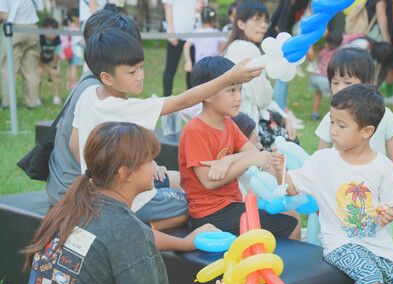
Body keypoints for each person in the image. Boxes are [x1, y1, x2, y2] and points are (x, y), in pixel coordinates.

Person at [16, 121, 234, 284]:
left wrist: (185, 243)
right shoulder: (127, 230)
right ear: (125, 173)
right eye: (149, 161)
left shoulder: (72, 207)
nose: (155, 166)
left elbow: (124, 238)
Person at [71, 28, 262, 230]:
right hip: (130, 200)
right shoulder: (124, 108)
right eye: (132, 72)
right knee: (195, 206)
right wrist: (229, 76)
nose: (140, 76)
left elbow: (74, 144)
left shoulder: (88, 94)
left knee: (179, 178)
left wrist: (148, 164)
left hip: (97, 190)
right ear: (107, 78)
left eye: (141, 67)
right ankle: (139, 228)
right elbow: (182, 101)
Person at [273, 84, 393, 284]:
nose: (332, 131)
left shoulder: (383, 167)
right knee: (370, 278)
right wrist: (277, 169)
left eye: (341, 125)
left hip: (379, 246)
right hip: (342, 243)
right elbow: (292, 187)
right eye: (332, 122)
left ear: (367, 131)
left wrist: (389, 214)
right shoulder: (322, 160)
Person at [179, 56, 300, 240]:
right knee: (290, 222)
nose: (239, 97)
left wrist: (229, 159)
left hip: (232, 206)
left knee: (289, 212)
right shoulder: (195, 130)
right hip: (210, 215)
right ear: (209, 94)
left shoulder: (227, 123)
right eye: (232, 90)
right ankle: (288, 269)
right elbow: (209, 181)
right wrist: (247, 161)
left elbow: (253, 152)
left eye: (240, 89)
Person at [315, 48, 393, 236]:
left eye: (348, 82)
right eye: (335, 82)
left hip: (374, 188)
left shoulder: (384, 116)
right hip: (341, 188)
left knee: (377, 233)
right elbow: (319, 159)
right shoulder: (331, 117)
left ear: (368, 83)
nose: (339, 88)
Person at [47, 10, 142, 206]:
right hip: (78, 191)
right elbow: (77, 147)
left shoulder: (92, 77)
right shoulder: (95, 90)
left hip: (65, 185)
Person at [223, 1, 299, 150]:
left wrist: (283, 116)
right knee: (290, 143)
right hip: (244, 126)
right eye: (257, 19)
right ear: (241, 24)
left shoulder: (232, 46)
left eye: (265, 20)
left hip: (231, 121)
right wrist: (284, 118)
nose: (263, 25)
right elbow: (263, 99)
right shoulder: (249, 50)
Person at [0, 0, 44, 110]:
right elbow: (41, 10)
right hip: (32, 29)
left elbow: (4, 15)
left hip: (13, 29)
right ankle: (31, 103)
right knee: (31, 69)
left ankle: (8, 103)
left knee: (8, 68)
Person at [162, 0, 196, 96]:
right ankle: (167, 98)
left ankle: (192, 100)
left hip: (193, 34)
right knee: (171, 68)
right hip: (176, 32)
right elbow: (167, 7)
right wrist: (172, 32)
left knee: (192, 69)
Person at [309, 31, 342, 120]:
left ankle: (314, 114)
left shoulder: (323, 51)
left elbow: (320, 60)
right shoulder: (338, 54)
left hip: (315, 75)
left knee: (318, 94)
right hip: (325, 77)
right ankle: (335, 116)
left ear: (326, 43)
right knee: (335, 97)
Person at [184, 6, 224, 73]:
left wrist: (188, 62)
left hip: (199, 64)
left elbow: (186, 45)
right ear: (213, 20)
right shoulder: (217, 32)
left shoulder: (196, 32)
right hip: (214, 64)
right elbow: (222, 47)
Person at [38, 17, 62, 106]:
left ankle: (56, 98)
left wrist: (54, 67)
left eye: (54, 32)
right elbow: (38, 54)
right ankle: (37, 98)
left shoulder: (57, 39)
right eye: (50, 32)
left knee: (56, 76)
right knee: (38, 76)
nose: (52, 35)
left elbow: (56, 53)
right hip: (41, 61)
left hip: (52, 61)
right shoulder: (40, 38)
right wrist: (40, 66)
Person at [63, 8, 85, 91]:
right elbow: (80, 42)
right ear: (75, 18)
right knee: (74, 68)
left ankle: (69, 83)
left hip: (70, 51)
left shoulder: (68, 28)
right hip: (76, 52)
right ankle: (74, 84)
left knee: (70, 67)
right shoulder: (75, 29)